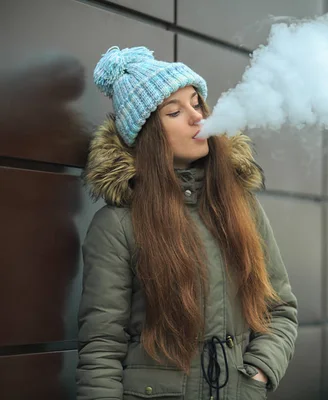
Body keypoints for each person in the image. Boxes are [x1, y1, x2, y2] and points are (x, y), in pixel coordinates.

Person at [76, 46, 298, 400]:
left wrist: (256, 375)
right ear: (147, 133)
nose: (197, 118)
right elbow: (102, 344)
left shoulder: (242, 207)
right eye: (175, 111)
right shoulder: (117, 224)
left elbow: (280, 310)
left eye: (197, 103)